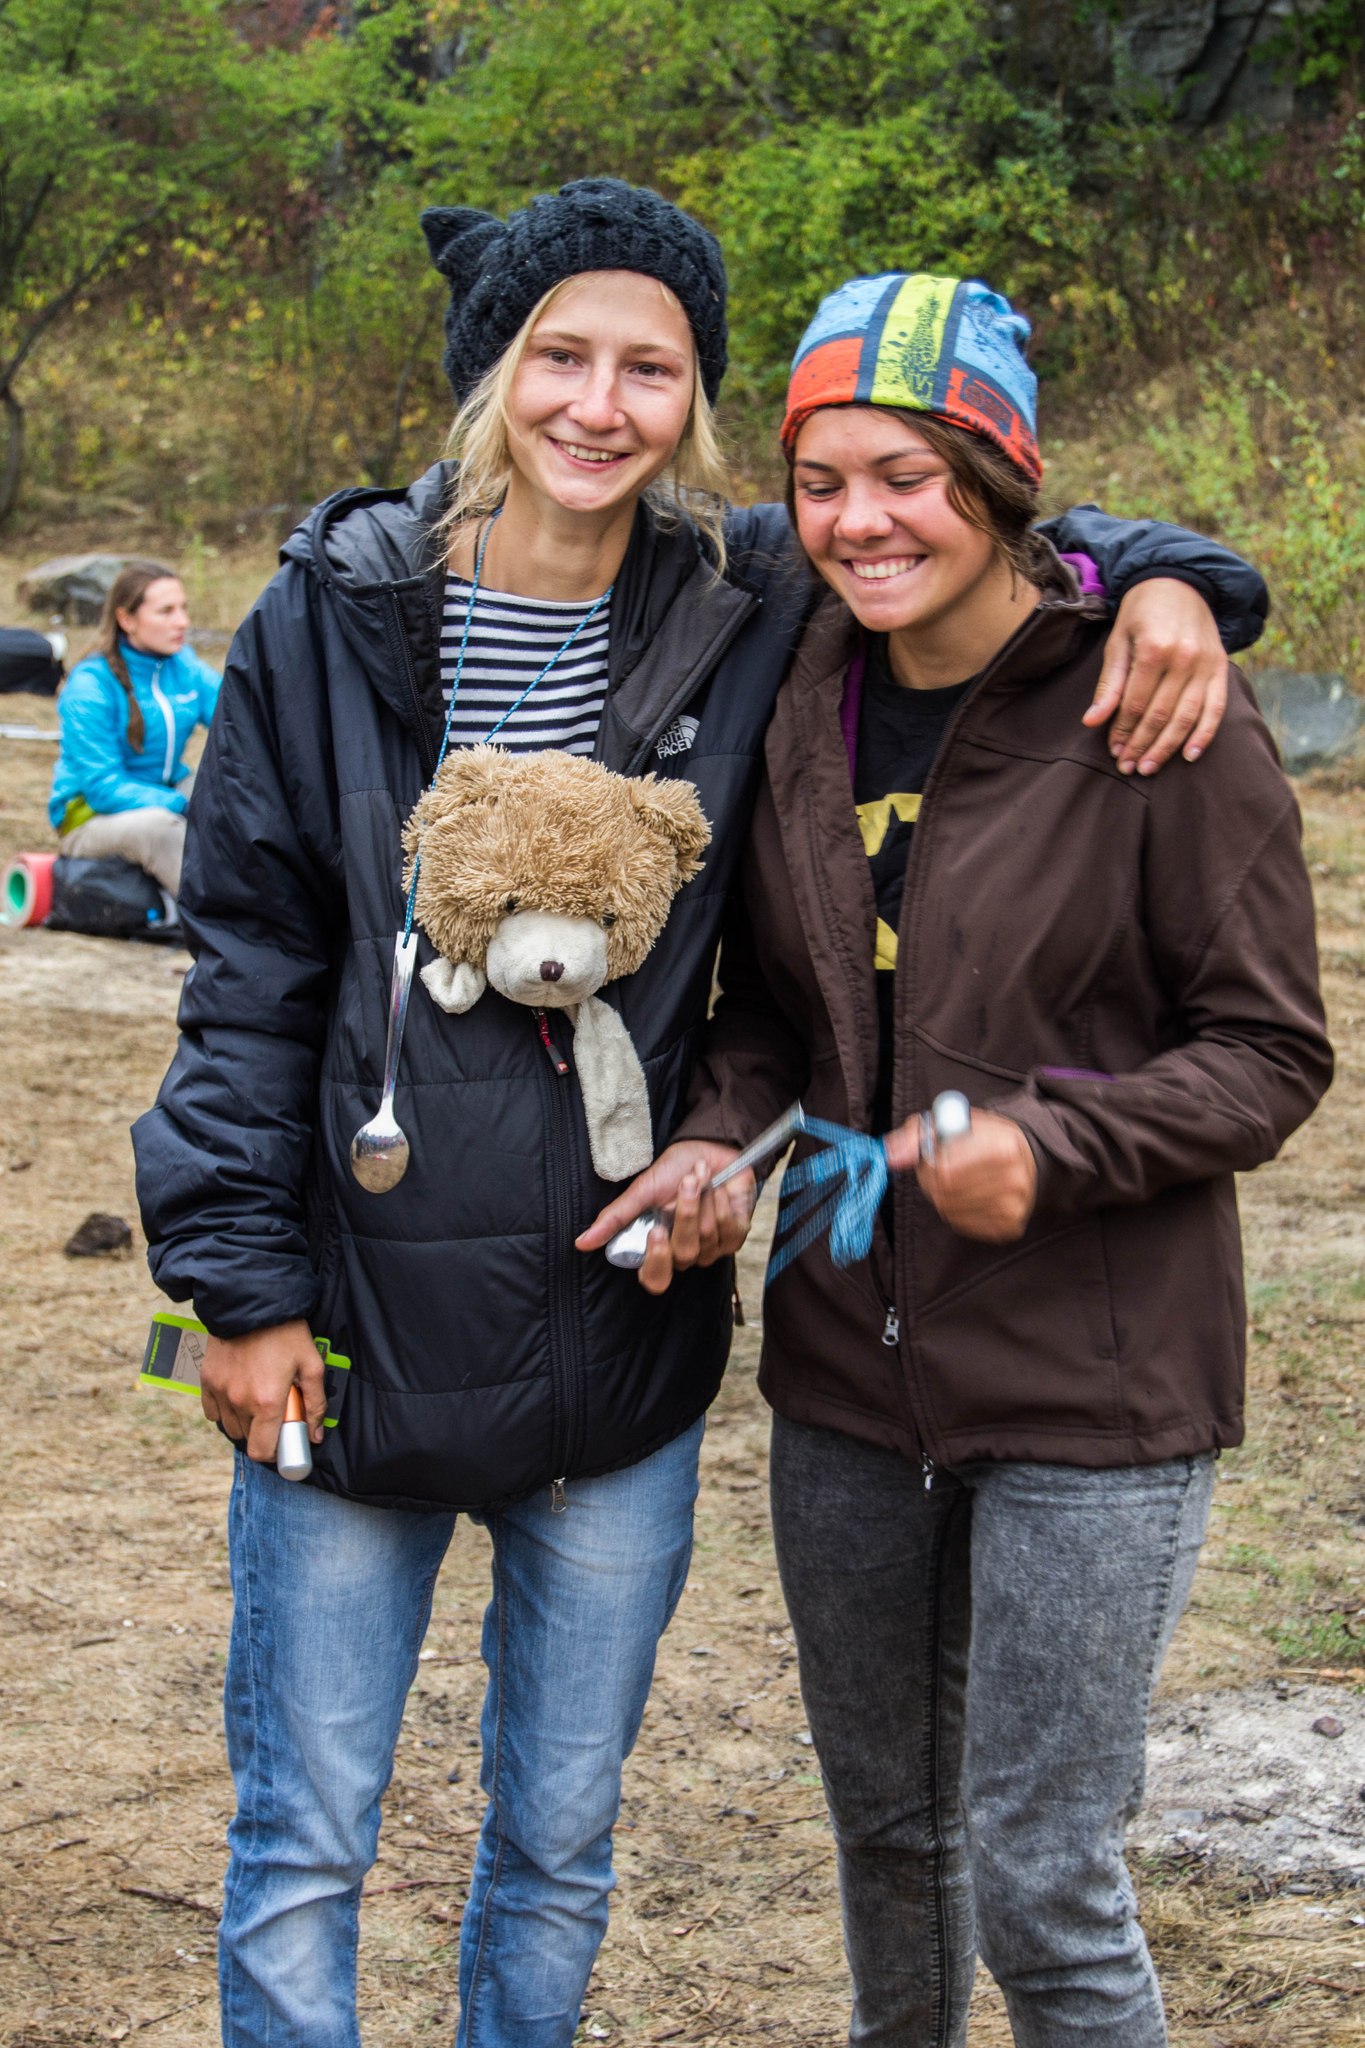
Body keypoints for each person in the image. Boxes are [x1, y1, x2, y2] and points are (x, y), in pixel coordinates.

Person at [132, 187, 1267, 2048]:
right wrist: (234, 1284)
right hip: (353, 1322)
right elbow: (249, 977)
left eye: (649, 365)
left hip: (614, 1337)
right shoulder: (327, 624)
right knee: (307, 1837)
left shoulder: (746, 601)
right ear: (488, 376)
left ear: (694, 399)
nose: (600, 403)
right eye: (557, 356)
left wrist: (1175, 581)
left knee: (564, 1839)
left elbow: (963, 511)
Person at [583, 270, 1332, 2047]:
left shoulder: (1151, 707)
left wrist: (1055, 1147)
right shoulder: (798, 701)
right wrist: (716, 1151)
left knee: (1040, 1871)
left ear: (1001, 480)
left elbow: (1272, 1049)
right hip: (847, 1371)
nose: (860, 519)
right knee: (891, 1838)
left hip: (1095, 1382)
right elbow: (772, 1011)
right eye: (823, 476)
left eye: (909, 475)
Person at [48, 561, 220, 899]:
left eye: (183, 608)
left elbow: (238, 720)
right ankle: (221, 926)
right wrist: (182, 804)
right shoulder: (90, 686)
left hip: (164, 791)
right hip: (90, 818)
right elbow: (102, 788)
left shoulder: (184, 665)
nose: (182, 621)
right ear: (126, 619)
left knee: (234, 800)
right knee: (161, 828)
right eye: (166, 611)